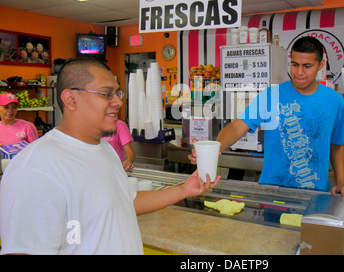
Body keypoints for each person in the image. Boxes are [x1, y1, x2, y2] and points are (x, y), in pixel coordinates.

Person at [0, 58, 220, 255]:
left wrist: (184, 189)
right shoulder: (35, 169)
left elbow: (125, 201)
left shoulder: (105, 150)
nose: (118, 102)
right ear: (70, 99)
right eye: (106, 94)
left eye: (117, 93)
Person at [189, 37, 344, 201]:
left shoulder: (334, 101)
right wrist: (213, 148)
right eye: (295, 64)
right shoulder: (271, 95)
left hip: (316, 195)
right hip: (272, 194)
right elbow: (236, 127)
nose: (299, 72)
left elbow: (336, 144)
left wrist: (341, 182)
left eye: (307, 66)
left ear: (321, 65)